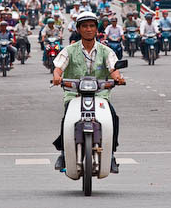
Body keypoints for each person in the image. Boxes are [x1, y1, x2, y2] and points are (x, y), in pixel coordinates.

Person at [52, 12, 125, 173]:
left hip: (100, 96)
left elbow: (113, 69)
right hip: (74, 95)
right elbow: (58, 68)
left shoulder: (106, 51)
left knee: (113, 118)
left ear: (96, 29)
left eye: (92, 26)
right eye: (84, 26)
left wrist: (118, 78)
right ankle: (64, 154)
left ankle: (111, 155)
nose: (88, 29)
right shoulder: (69, 50)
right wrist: (57, 77)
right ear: (78, 29)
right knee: (67, 120)